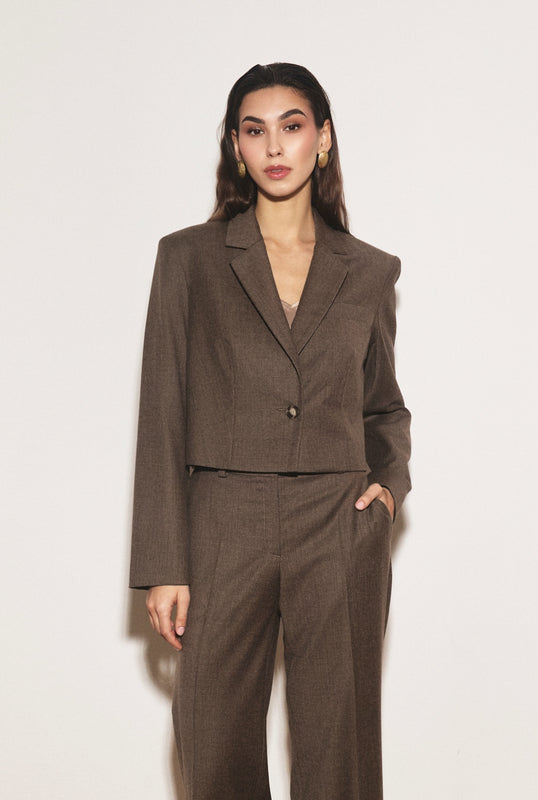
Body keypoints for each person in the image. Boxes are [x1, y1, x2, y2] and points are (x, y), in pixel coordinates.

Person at [129, 62, 411, 800]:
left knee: (340, 747)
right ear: (235, 146)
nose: (275, 146)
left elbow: (383, 407)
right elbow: (163, 410)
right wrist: (164, 561)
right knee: (214, 738)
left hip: (337, 522)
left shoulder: (369, 270)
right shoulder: (188, 259)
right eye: (255, 130)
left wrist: (387, 488)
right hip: (224, 520)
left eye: (292, 126)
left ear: (323, 139)